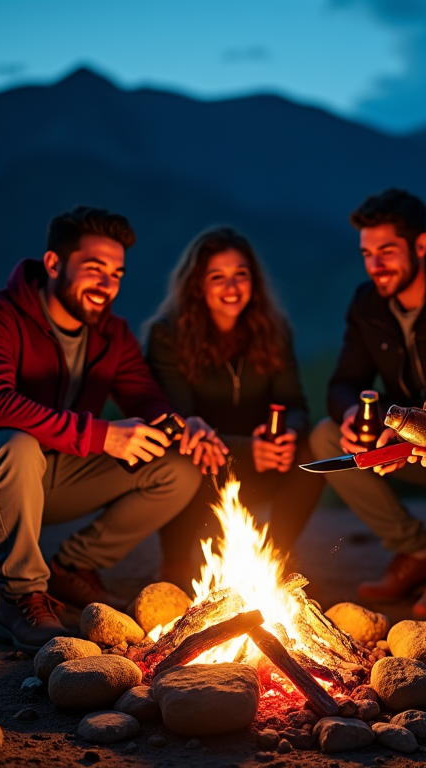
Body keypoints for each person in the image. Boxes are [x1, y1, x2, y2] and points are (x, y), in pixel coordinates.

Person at [0, 206, 226, 652]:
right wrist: (102, 435)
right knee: (16, 444)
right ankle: (20, 596)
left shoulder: (111, 334)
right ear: (54, 264)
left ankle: (72, 569)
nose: (107, 285)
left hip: (52, 473)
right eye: (94, 269)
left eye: (116, 273)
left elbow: (147, 400)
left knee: (177, 465)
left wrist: (183, 426)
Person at [310, 188, 426, 622]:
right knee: (325, 435)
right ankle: (414, 552)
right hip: (398, 437)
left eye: (387, 251)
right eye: (367, 253)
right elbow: (345, 381)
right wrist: (351, 416)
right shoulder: (367, 304)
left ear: (420, 245)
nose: (375, 265)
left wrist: (413, 423)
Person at [144, 227, 324, 581]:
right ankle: (176, 559)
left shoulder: (273, 330)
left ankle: (276, 557)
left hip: (264, 460)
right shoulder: (167, 335)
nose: (231, 288)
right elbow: (178, 422)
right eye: (217, 277)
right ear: (197, 285)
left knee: (311, 451)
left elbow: (295, 403)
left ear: (253, 281)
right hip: (204, 462)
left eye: (240, 275)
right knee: (181, 455)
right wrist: (245, 450)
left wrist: (287, 434)